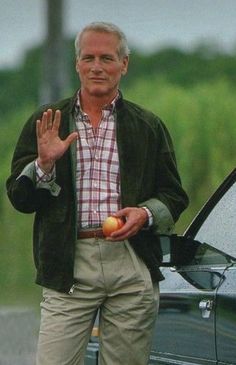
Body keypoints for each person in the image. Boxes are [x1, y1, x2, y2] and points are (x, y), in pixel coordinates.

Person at [6, 22, 189, 365]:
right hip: (68, 264)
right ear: (77, 63)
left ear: (124, 64)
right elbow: (19, 198)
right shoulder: (48, 121)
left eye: (107, 58)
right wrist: (44, 164)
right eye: (88, 57)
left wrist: (144, 213)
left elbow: (174, 195)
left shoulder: (147, 126)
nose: (97, 67)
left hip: (131, 262)